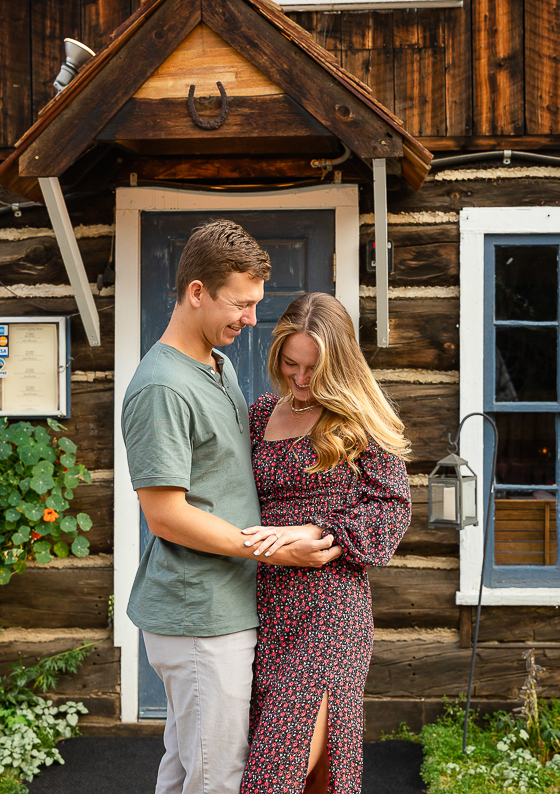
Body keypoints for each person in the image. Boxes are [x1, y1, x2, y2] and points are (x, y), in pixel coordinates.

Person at [121, 220, 342, 794]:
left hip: (223, 606)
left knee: (187, 770)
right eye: (240, 305)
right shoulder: (163, 386)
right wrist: (276, 551)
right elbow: (164, 515)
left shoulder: (216, 368)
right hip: (199, 615)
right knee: (217, 780)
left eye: (254, 305)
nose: (250, 319)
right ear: (197, 292)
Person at [238, 292, 412, 794]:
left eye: (314, 367)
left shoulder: (360, 421)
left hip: (329, 612)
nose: (301, 378)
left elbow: (391, 510)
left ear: (339, 362)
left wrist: (318, 531)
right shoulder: (257, 416)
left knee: (276, 768)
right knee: (312, 772)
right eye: (291, 363)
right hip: (261, 606)